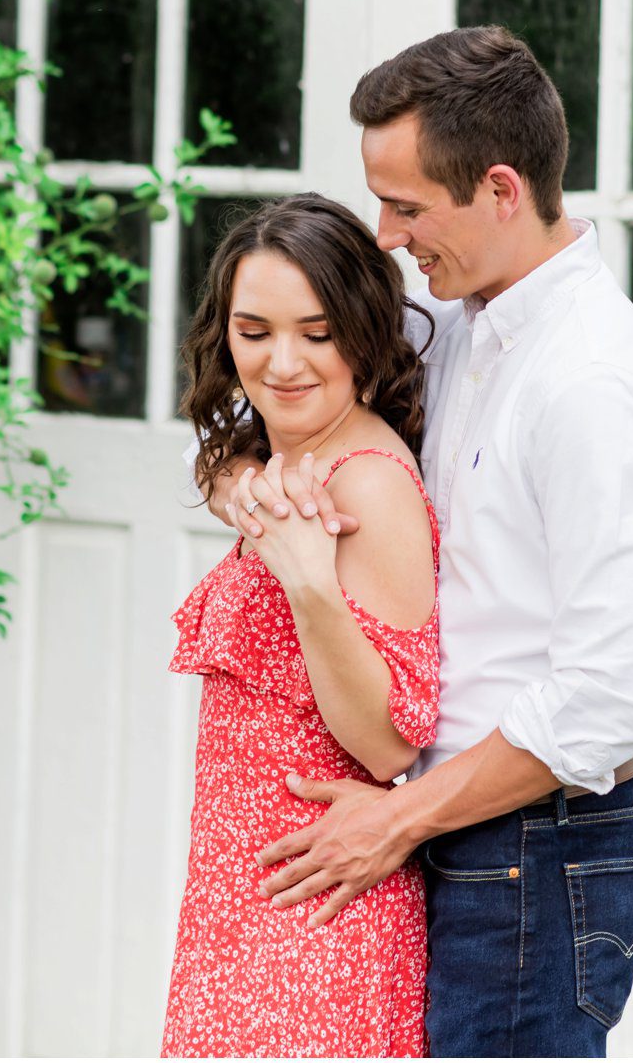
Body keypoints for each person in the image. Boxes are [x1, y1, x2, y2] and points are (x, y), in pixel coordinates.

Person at [217, 26, 633, 1056]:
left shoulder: (589, 383)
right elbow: (272, 397)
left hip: (539, 842)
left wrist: (396, 819)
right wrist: (240, 480)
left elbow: (608, 695)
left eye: (405, 208)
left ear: (498, 189)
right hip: (460, 830)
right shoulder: (462, 321)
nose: (385, 237)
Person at [162, 193, 442, 1057]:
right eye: (255, 332)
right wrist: (237, 481)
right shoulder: (288, 456)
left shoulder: (365, 487)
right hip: (243, 903)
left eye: (317, 334)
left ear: (361, 330)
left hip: (318, 920)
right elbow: (215, 444)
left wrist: (311, 585)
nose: (282, 363)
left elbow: (390, 743)